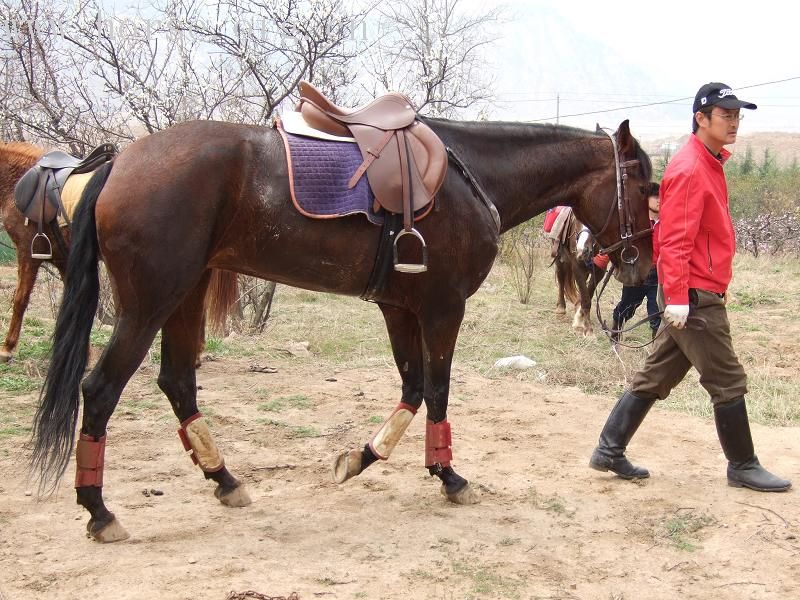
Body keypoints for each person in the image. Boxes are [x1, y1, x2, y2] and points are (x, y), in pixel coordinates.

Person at [589, 82, 791, 492]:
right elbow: (675, 240)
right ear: (701, 118)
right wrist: (678, 297)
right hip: (694, 295)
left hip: (697, 290)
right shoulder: (690, 167)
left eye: (737, 115)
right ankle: (743, 465)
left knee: (656, 375)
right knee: (728, 380)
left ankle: (609, 450)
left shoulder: (708, 163)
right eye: (725, 114)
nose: (733, 122)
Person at [610, 182, 662, 342]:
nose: (660, 200)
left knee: (657, 314)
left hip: (658, 275)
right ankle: (615, 335)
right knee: (626, 308)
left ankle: (656, 351)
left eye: (662, 196)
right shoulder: (634, 223)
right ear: (646, 199)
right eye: (655, 196)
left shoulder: (668, 222)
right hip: (637, 274)